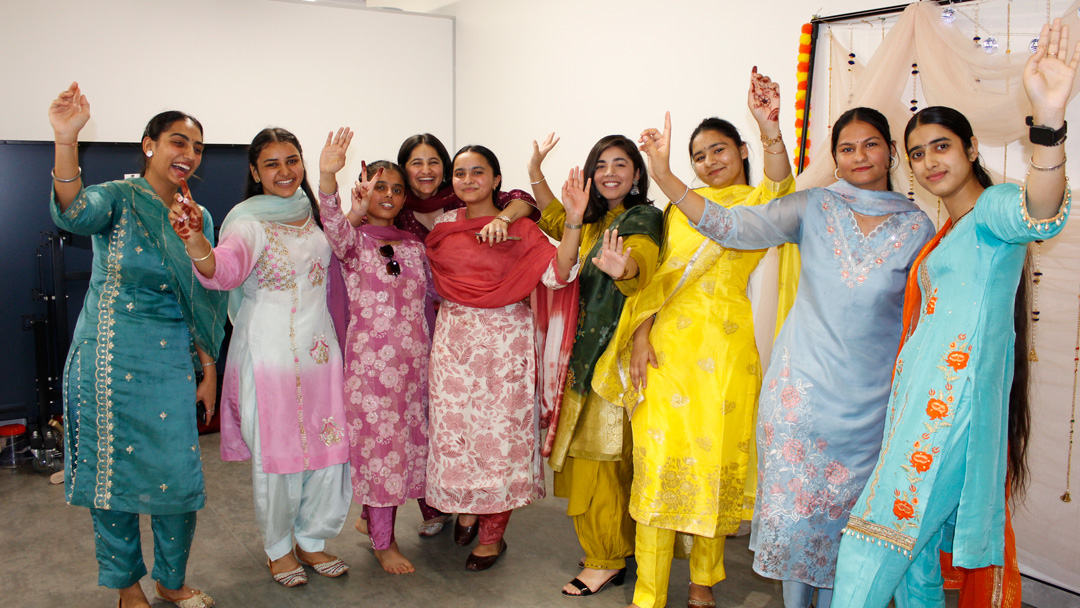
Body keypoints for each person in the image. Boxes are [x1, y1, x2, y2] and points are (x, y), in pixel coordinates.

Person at [831, 19, 1078, 608]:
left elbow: (1040, 210)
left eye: (941, 146)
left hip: (947, 410)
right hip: (919, 407)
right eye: (917, 154)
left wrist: (1048, 122)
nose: (928, 162)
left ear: (970, 149)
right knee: (916, 563)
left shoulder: (993, 211)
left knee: (871, 546)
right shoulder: (948, 231)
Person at [646, 105, 935, 607]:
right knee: (799, 522)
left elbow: (920, 320)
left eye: (870, 144)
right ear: (835, 159)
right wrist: (665, 176)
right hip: (799, 395)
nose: (859, 156)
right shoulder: (814, 207)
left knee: (851, 526)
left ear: (890, 150)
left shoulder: (917, 226)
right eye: (847, 148)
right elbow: (730, 227)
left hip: (871, 406)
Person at [591, 68, 796, 608]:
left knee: (713, 465)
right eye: (700, 154)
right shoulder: (676, 210)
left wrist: (769, 125)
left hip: (729, 354)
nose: (709, 161)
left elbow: (781, 179)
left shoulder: (761, 200)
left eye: (719, 150)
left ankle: (704, 580)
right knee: (658, 472)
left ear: (742, 151)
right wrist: (639, 333)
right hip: (665, 354)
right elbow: (654, 280)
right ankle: (650, 591)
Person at [48, 82, 226, 608]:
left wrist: (207, 365)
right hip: (108, 357)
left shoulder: (199, 217)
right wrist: (65, 140)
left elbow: (204, 298)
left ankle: (171, 581)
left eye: (196, 147)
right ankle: (127, 585)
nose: (188, 155)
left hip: (169, 361)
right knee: (112, 477)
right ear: (149, 145)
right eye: (177, 141)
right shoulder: (119, 198)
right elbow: (73, 212)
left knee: (178, 478)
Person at [174, 128, 352, 588]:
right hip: (269, 352)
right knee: (280, 452)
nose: (284, 171)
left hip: (320, 350)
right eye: (271, 164)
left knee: (329, 448)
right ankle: (278, 548)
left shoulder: (309, 215)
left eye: (292, 160)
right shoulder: (248, 222)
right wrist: (197, 242)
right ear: (255, 172)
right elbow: (224, 270)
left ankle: (312, 538)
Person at [424, 145, 584, 570]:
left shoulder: (523, 230)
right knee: (456, 436)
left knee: (502, 443)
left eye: (479, 172)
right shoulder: (443, 226)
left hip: (505, 348)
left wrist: (572, 222)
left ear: (497, 179)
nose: (468, 180)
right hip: (454, 343)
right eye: (460, 173)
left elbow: (560, 271)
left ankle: (493, 536)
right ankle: (468, 504)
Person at [526, 132, 663, 597]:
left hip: (613, 358)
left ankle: (604, 558)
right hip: (581, 355)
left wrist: (623, 269)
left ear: (638, 174)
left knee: (600, 459)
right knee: (602, 461)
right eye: (601, 165)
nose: (609, 173)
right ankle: (614, 551)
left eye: (620, 164)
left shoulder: (643, 217)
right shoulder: (589, 222)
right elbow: (553, 215)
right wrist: (535, 171)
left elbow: (642, 260)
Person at [317, 127, 437, 574]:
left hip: (415, 368)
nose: (388, 195)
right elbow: (332, 224)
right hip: (371, 372)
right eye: (379, 186)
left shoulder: (413, 246)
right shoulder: (355, 242)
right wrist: (328, 179)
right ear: (364, 189)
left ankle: (373, 520)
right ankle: (385, 543)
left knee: (408, 449)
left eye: (396, 189)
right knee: (381, 454)